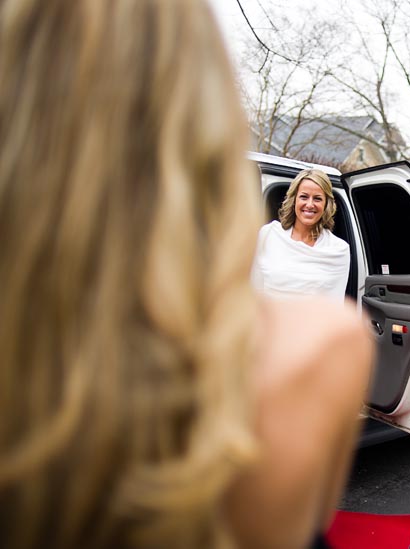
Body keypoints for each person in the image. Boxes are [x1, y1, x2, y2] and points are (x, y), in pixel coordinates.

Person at [0, 1, 373, 549]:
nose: (312, 203)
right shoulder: (317, 348)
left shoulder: (332, 272)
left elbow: (328, 294)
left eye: (320, 197)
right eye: (305, 196)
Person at [251, 169, 350, 300]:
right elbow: (253, 289)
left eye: (317, 199)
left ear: (326, 204)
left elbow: (334, 304)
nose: (310, 204)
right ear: (294, 200)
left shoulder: (338, 250)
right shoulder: (268, 234)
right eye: (304, 197)